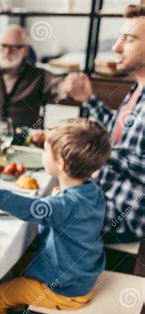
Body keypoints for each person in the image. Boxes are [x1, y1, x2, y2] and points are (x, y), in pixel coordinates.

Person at [0, 118, 112, 314]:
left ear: (61, 163)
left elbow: (31, 208)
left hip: (64, 291)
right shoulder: (92, 190)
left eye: (46, 150)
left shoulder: (67, 205)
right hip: (82, 275)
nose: (43, 154)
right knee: (11, 265)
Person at [62, 4, 144, 243]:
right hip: (103, 198)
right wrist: (88, 99)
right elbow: (117, 135)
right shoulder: (138, 89)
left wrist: (94, 146)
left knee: (34, 215)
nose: (116, 47)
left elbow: (113, 148)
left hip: (122, 219)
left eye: (128, 39)